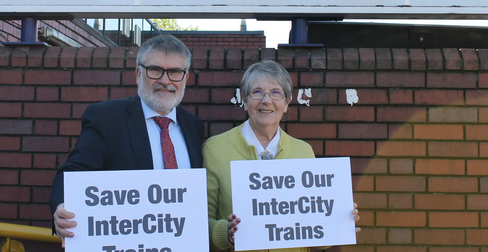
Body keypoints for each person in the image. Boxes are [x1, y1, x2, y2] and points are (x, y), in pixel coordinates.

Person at [49, 35, 204, 247]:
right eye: (155, 70)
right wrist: (61, 207)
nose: (165, 81)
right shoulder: (106, 118)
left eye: (175, 72)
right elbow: (73, 173)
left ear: (185, 79)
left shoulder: (193, 126)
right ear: (139, 74)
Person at [203, 60, 360, 252]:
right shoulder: (215, 149)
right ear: (244, 99)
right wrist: (225, 233)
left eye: (276, 93)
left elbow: (317, 239)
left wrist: (337, 221)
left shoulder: (303, 151)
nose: (266, 100)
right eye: (257, 91)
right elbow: (200, 224)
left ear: (286, 103)